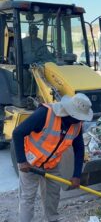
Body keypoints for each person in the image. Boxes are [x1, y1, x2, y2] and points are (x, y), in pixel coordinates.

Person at [12, 93, 93, 222]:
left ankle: (52, 219)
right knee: (28, 197)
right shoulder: (45, 113)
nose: (80, 120)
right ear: (70, 112)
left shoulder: (77, 125)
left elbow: (79, 149)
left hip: (52, 165)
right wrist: (21, 161)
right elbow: (17, 133)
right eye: (79, 117)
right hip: (30, 162)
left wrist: (76, 175)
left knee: (53, 196)